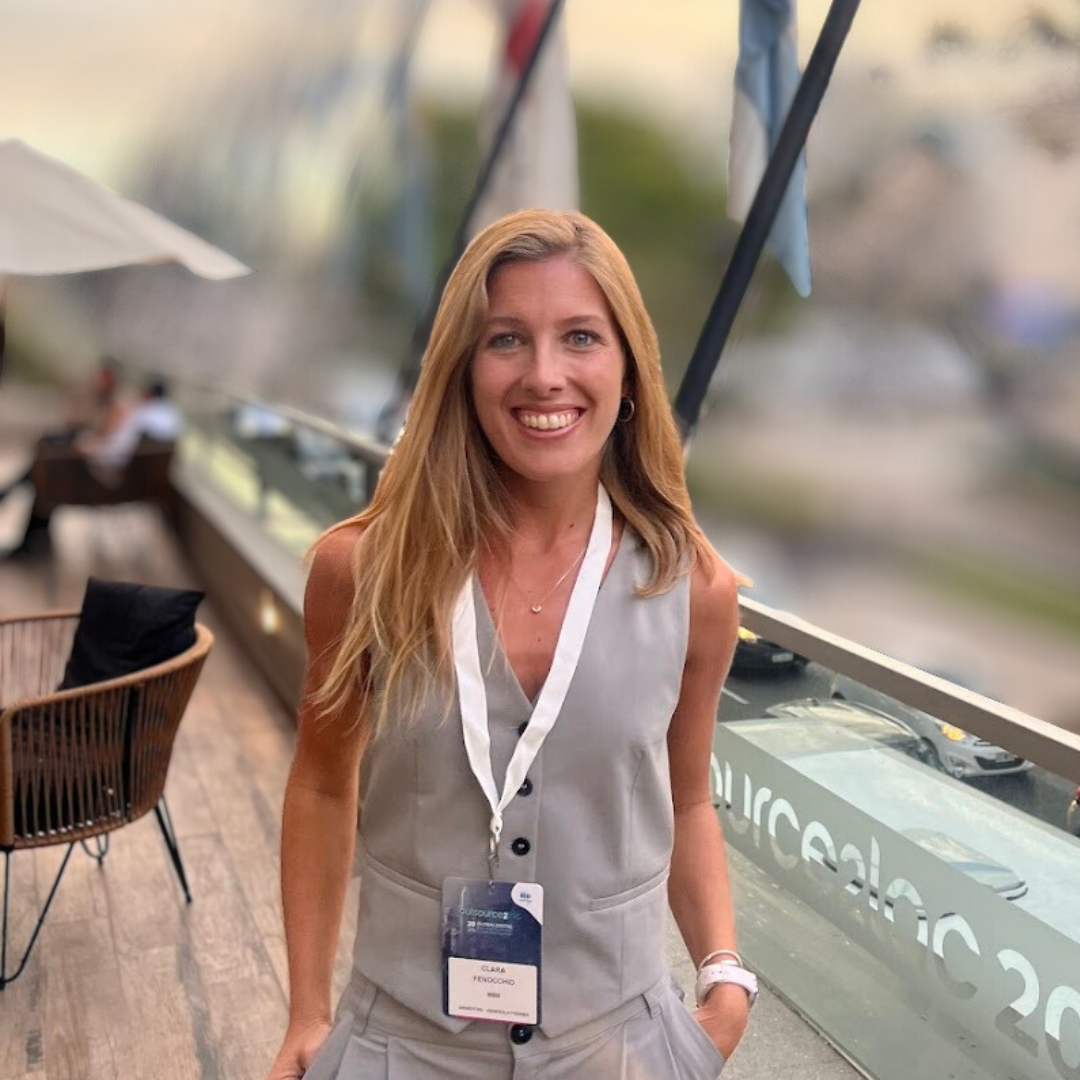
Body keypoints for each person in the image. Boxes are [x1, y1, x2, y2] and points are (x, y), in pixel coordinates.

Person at [268, 210, 751, 1080]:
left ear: (628, 370)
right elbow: (321, 782)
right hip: (399, 1048)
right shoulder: (361, 572)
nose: (544, 374)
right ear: (462, 368)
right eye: (506, 340)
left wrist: (724, 980)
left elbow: (687, 803)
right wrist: (308, 1010)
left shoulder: (694, 591)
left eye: (581, 337)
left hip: (623, 1052)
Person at [0, 375, 181, 557]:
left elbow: (116, 452)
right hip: (133, 481)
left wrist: (88, 446)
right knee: (49, 461)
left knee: (49, 468)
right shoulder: (171, 418)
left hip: (108, 479)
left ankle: (17, 508)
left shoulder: (141, 416)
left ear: (149, 393)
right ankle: (14, 498)